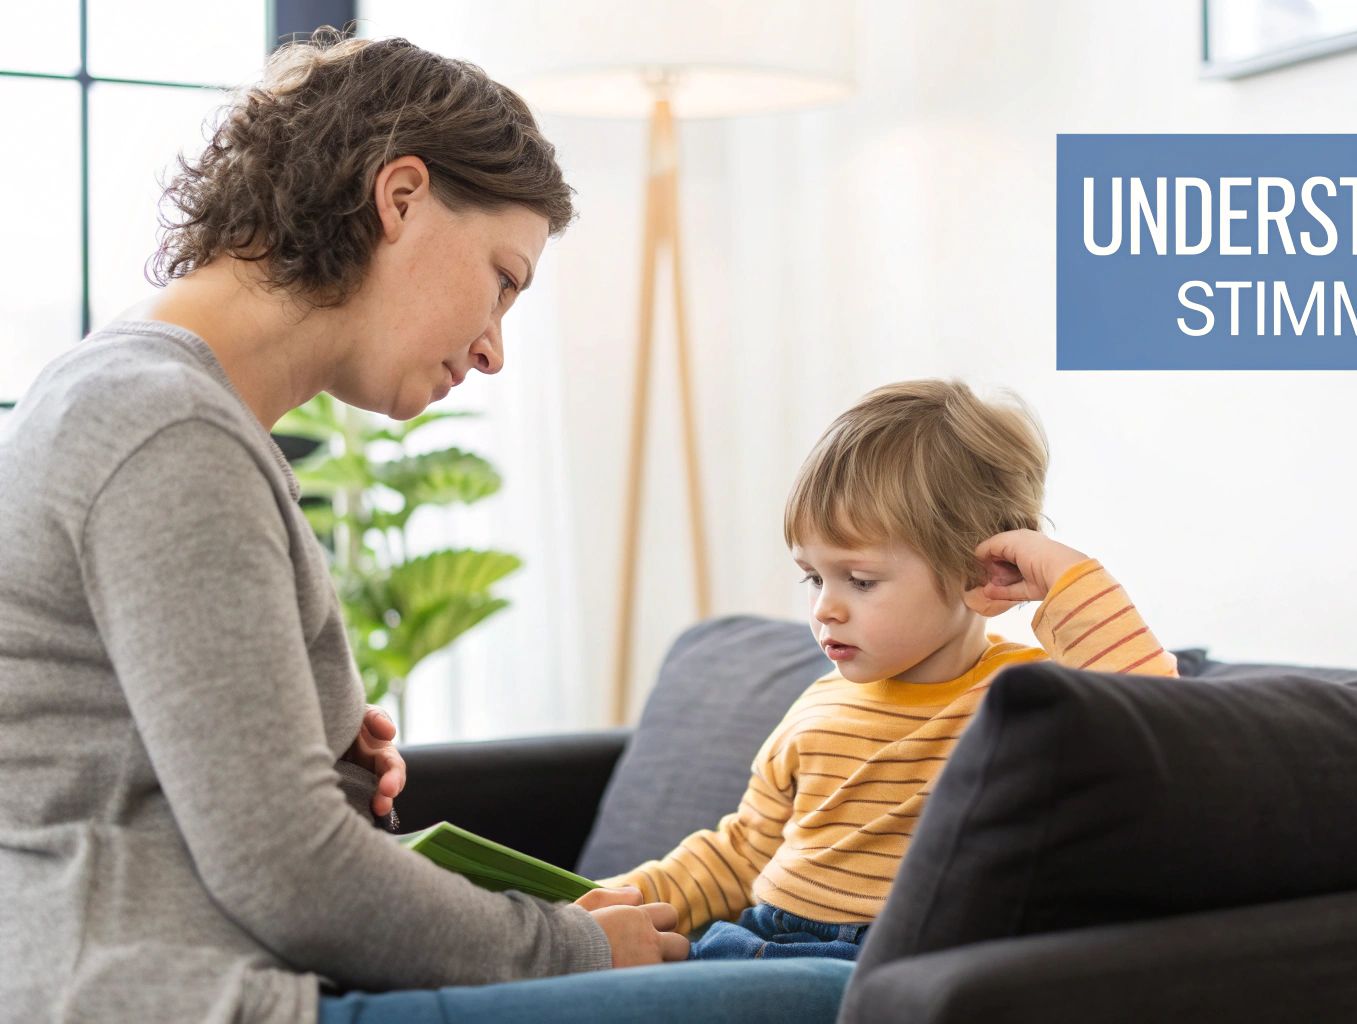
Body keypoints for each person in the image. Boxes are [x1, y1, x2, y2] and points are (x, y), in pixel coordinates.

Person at [0, 27, 851, 1024]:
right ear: (399, 196)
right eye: (502, 277)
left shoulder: (124, 395)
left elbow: (97, 760)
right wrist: (570, 945)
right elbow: (287, 872)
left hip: (152, 968)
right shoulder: (169, 427)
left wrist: (312, 751)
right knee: (840, 998)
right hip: (175, 995)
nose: (493, 349)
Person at [595, 379, 1177, 960]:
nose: (825, 606)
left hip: (884, 966)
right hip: (757, 941)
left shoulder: (1024, 698)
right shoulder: (818, 704)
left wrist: (1068, 578)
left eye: (861, 580)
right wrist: (620, 897)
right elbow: (743, 850)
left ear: (976, 574)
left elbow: (1163, 727)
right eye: (813, 577)